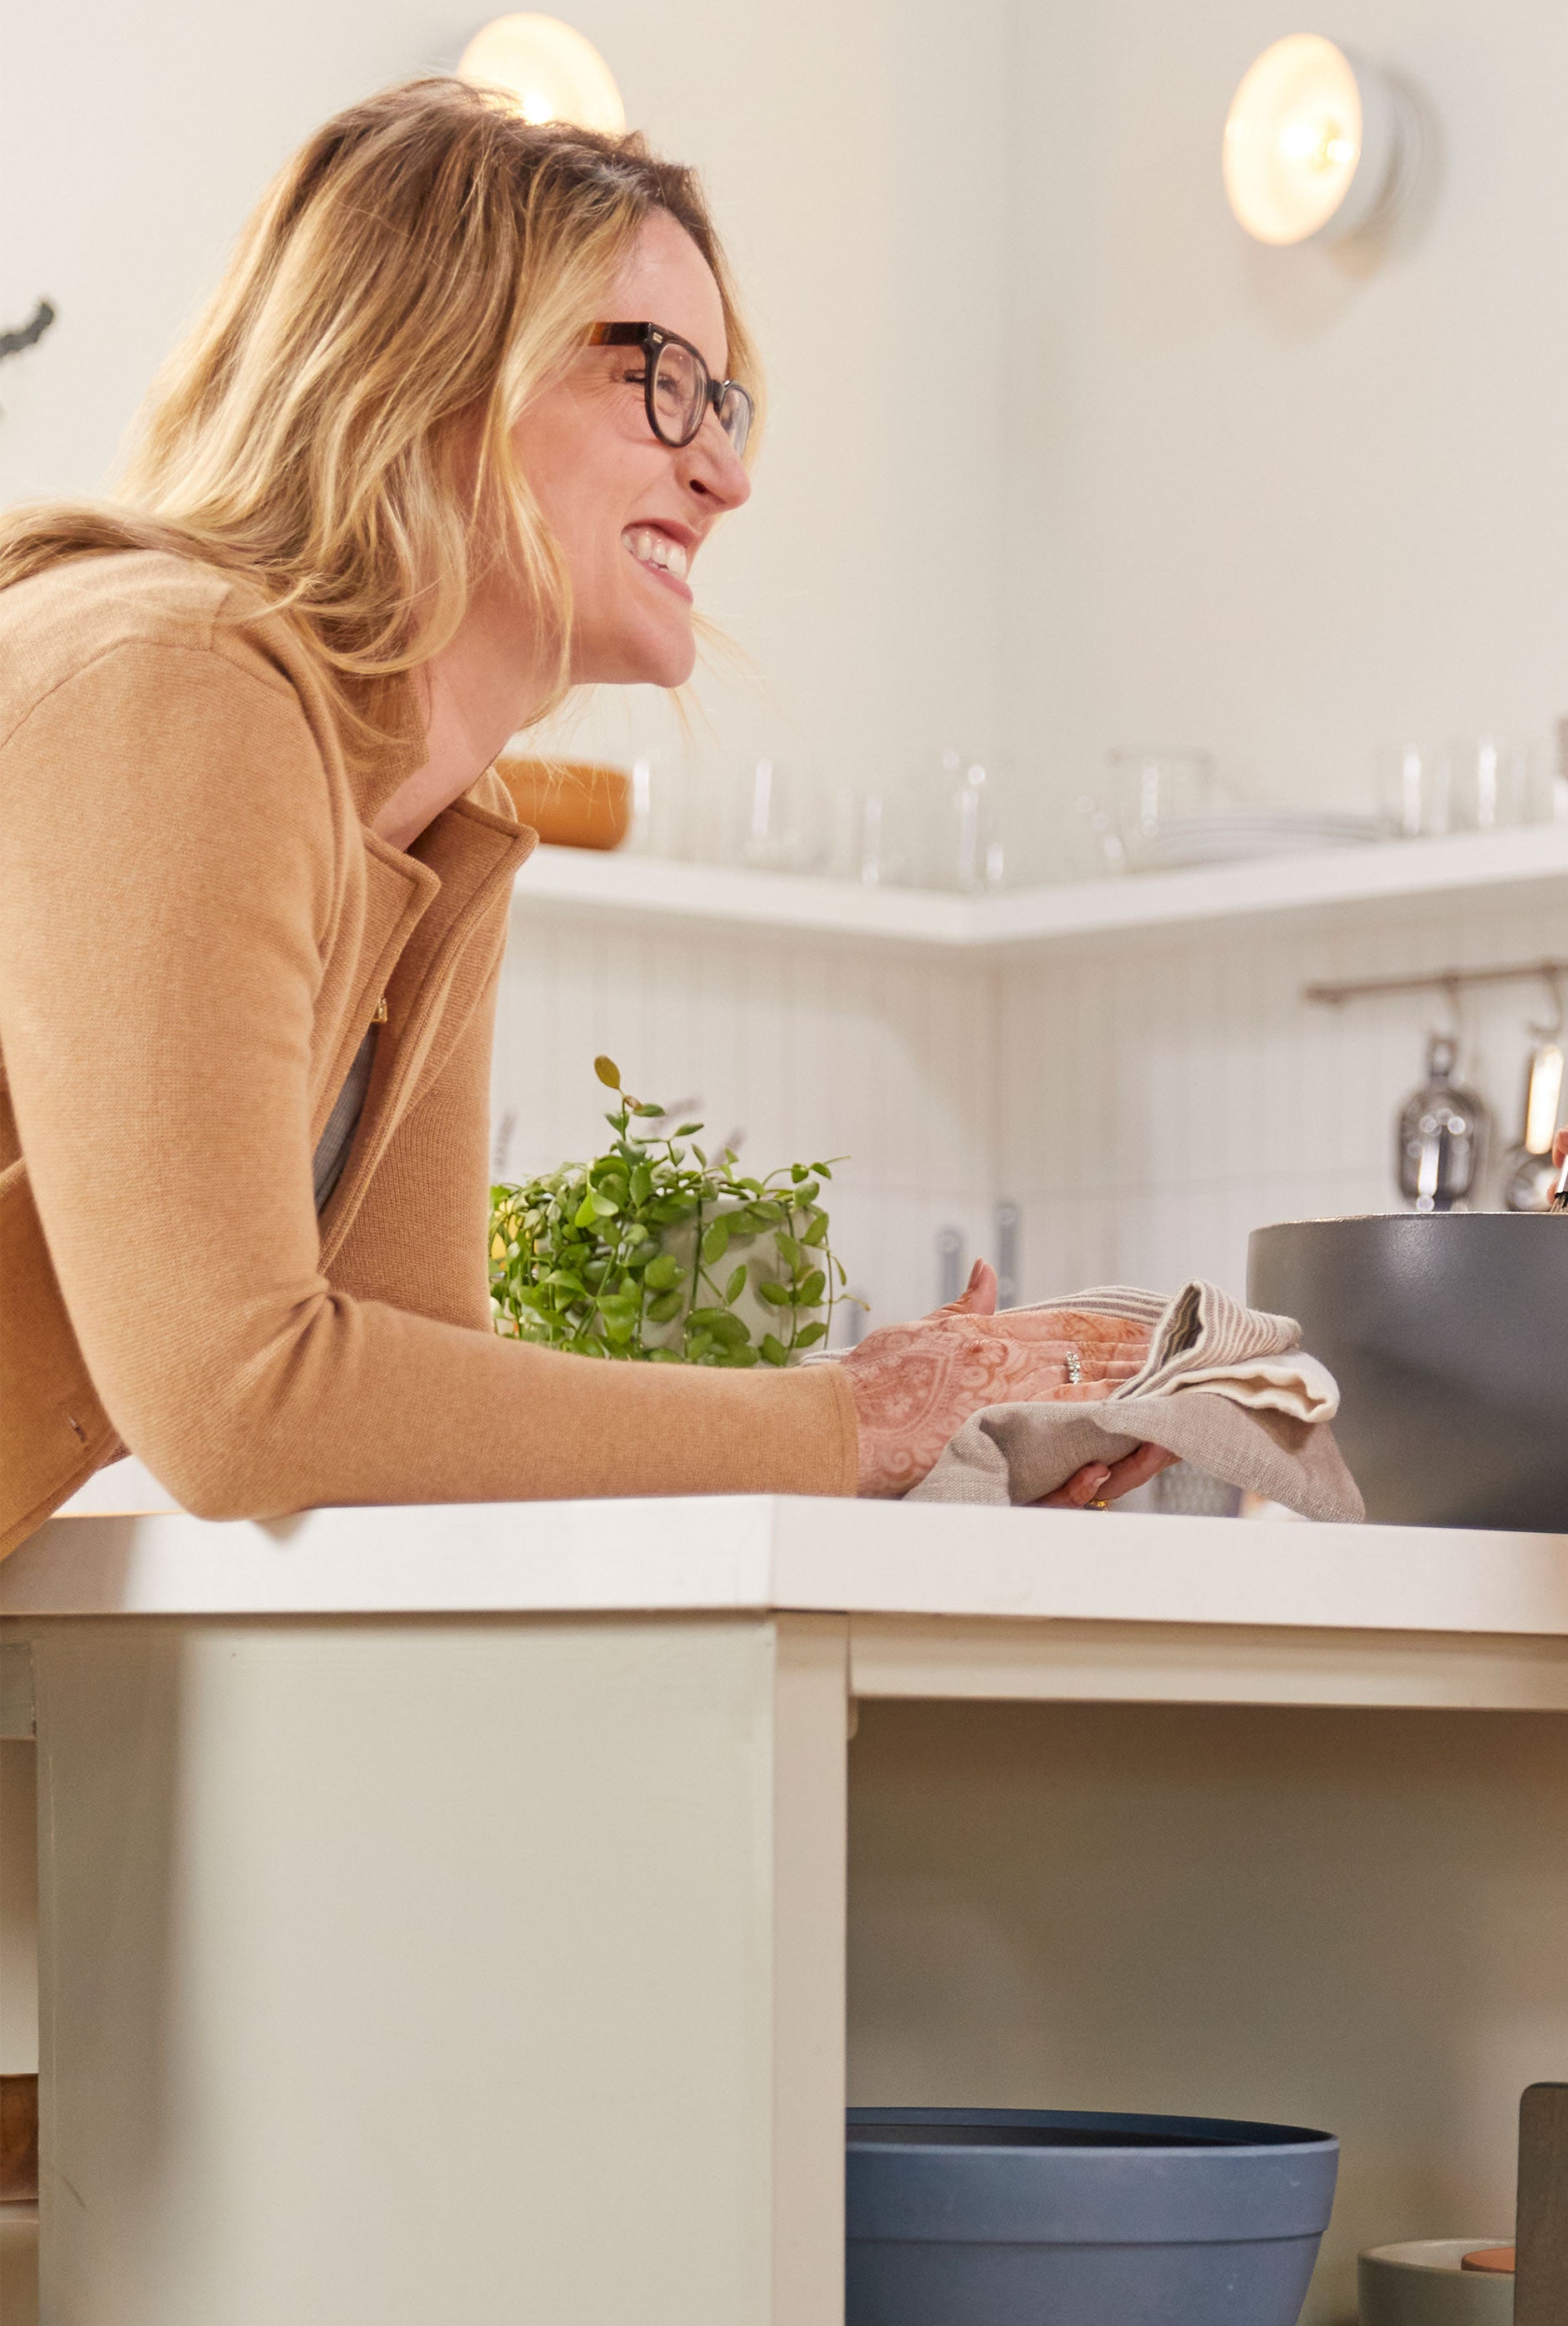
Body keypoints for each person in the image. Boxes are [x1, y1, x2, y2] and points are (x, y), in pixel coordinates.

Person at [0, 80, 1155, 1562]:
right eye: (659, 379)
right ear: (433, 361)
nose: (725, 474)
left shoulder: (442, 823)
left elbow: (402, 1390)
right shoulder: (174, 682)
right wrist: (847, 1424)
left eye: (726, 403)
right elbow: (241, 1401)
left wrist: (893, 1449)